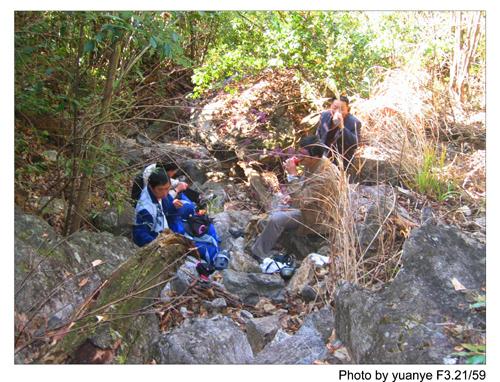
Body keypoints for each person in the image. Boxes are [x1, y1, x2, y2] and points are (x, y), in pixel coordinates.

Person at [250, 135, 339, 260]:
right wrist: (290, 198)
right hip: (307, 205)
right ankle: (270, 241)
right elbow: (303, 189)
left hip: (319, 216)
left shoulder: (325, 175)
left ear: (315, 157)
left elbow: (303, 200)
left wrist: (292, 175)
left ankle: (258, 254)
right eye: (299, 153)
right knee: (279, 204)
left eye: (303, 155)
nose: (298, 157)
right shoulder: (313, 163)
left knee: (276, 218)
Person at [131, 161, 203, 207]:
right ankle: (198, 199)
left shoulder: (157, 168)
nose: (173, 175)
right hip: (142, 203)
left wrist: (178, 183)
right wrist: (177, 189)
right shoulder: (152, 177)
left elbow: (169, 183)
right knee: (178, 190)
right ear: (168, 171)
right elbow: (161, 197)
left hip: (148, 198)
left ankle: (198, 197)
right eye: (173, 173)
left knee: (180, 186)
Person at [316, 95, 362, 168]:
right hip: (322, 158)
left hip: (340, 163)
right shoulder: (324, 115)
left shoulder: (354, 122)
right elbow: (318, 135)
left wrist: (342, 127)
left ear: (348, 109)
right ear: (331, 106)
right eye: (334, 108)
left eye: (341, 109)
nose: (337, 112)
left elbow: (355, 144)